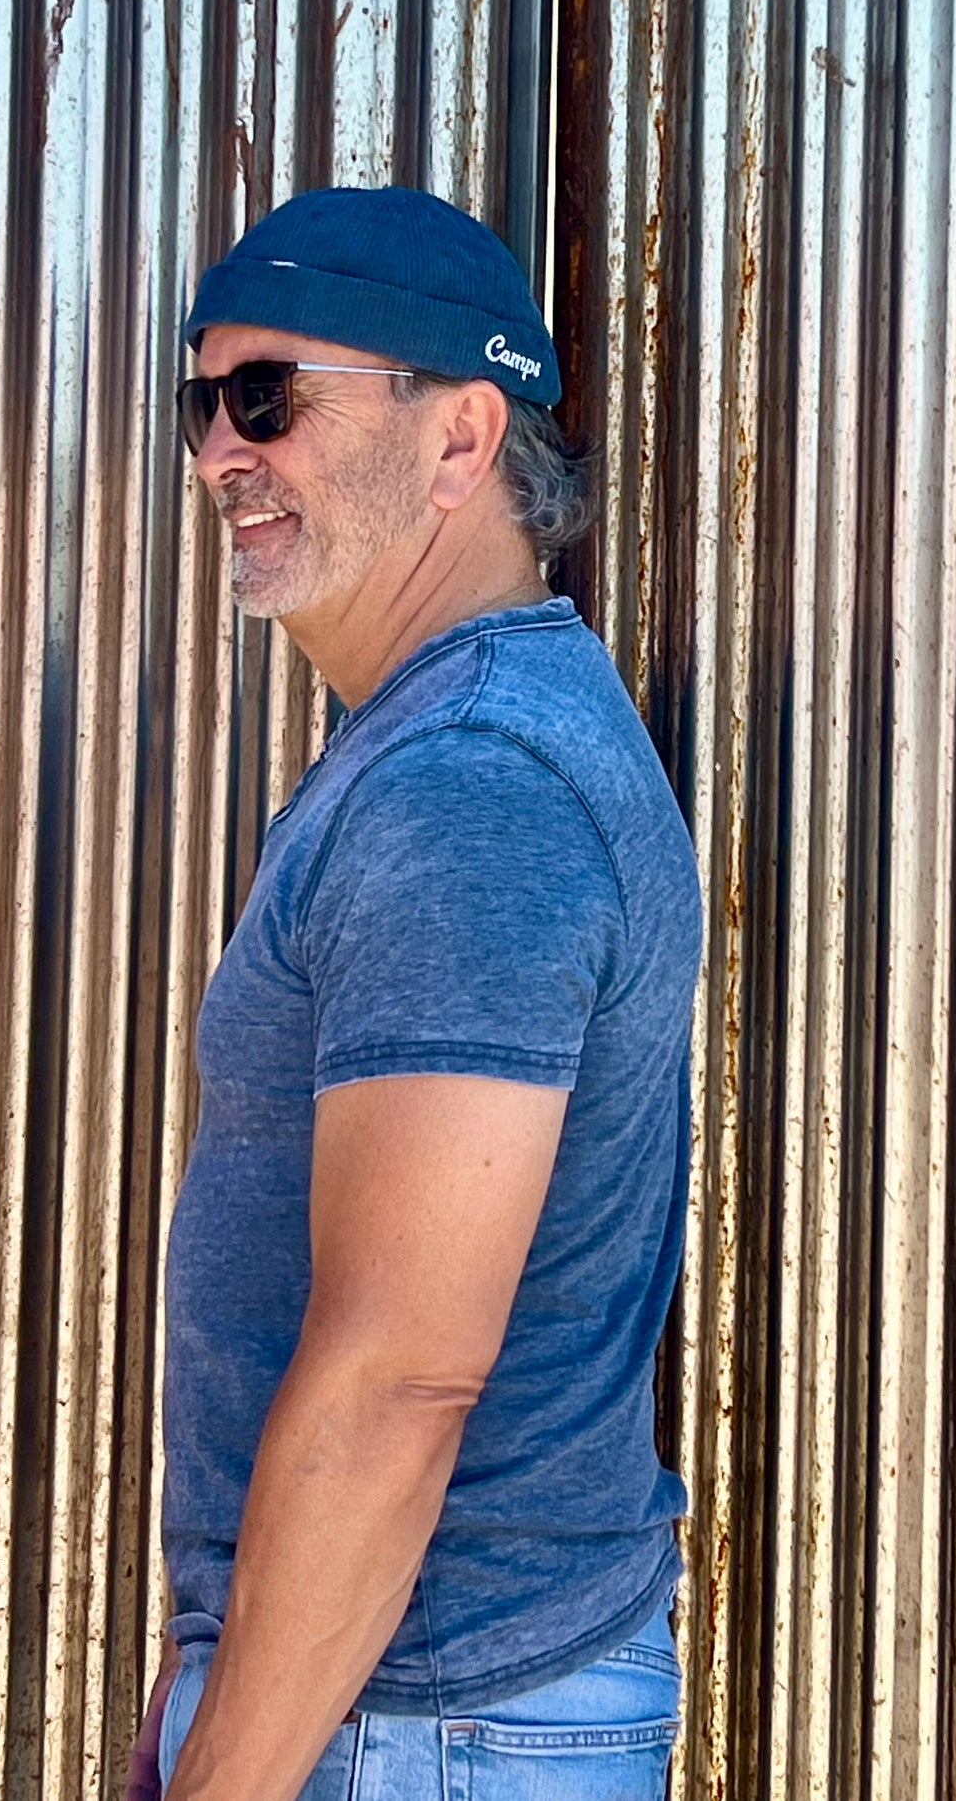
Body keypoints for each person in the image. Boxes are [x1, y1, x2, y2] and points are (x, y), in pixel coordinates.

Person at [128, 185, 702, 1801]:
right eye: (201, 402)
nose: (217, 452)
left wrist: (223, 1776)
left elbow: (399, 1377)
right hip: (379, 1712)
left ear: (459, 438)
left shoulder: (470, 788)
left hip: (421, 1726)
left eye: (269, 397)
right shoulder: (436, 750)